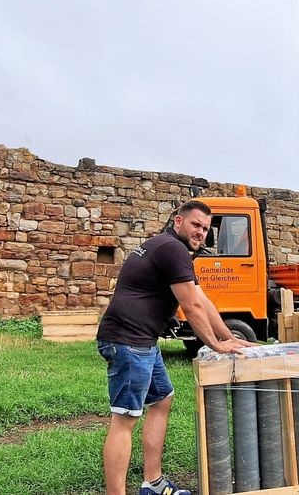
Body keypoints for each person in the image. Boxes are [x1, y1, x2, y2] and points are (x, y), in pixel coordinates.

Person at [96, 200, 252, 495]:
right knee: (125, 419)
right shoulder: (172, 249)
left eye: (205, 228)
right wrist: (216, 345)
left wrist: (228, 335)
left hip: (143, 341)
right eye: (195, 224)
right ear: (178, 221)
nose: (201, 232)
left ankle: (152, 483)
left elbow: (202, 300)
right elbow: (190, 306)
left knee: (162, 400)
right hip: (128, 341)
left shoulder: (169, 248)